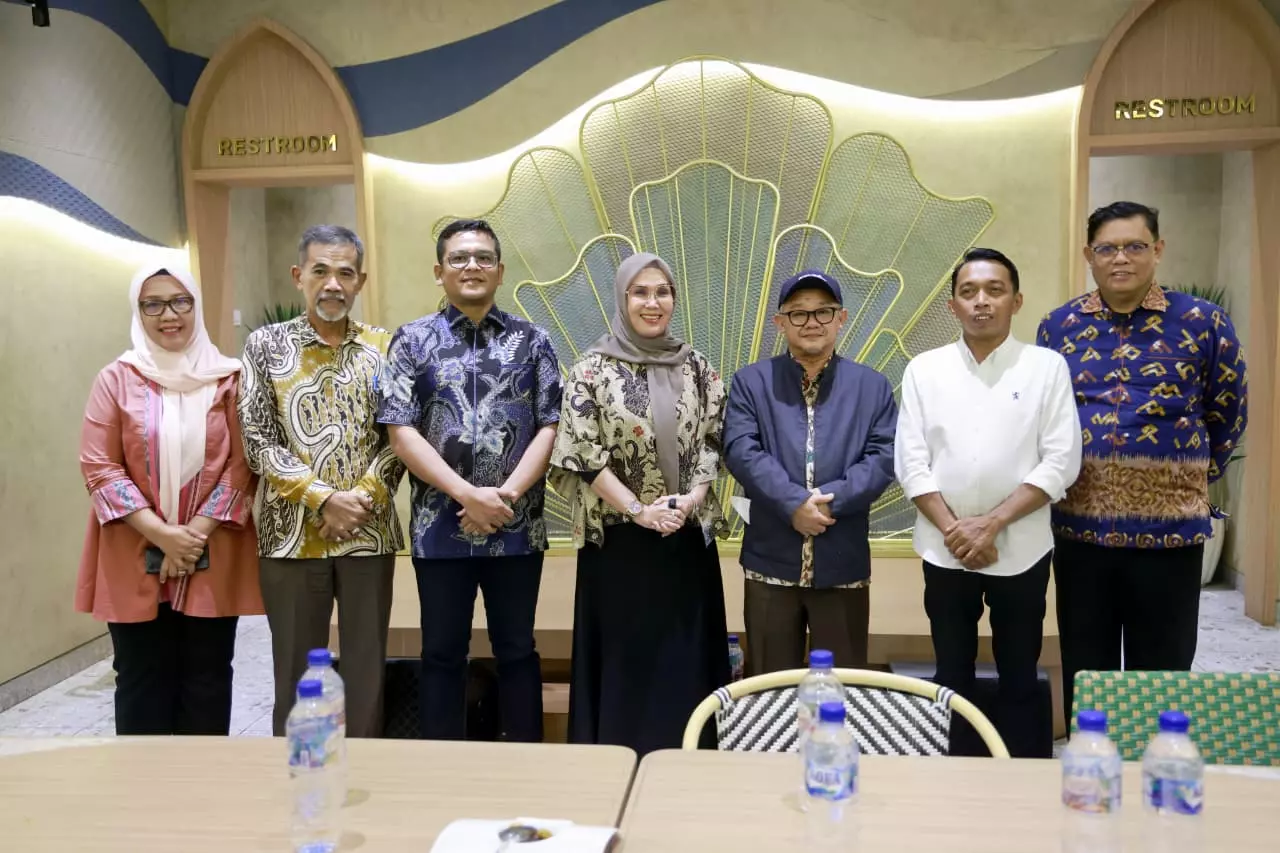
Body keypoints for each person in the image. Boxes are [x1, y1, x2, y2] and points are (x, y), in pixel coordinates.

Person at [1038, 201, 1247, 724]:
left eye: (1134, 246)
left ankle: (1157, 762)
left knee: (1163, 672)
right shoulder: (1058, 327)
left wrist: (1180, 478)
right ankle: (1093, 762)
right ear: (1089, 255)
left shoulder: (1203, 322)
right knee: (1088, 669)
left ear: (1157, 250)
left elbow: (1228, 412)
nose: (1121, 259)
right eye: (1107, 248)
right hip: (1082, 534)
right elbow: (1046, 420)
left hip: (1168, 536)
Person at [378, 219, 561, 741]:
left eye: (483, 257)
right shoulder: (412, 341)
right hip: (440, 527)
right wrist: (466, 495)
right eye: (459, 258)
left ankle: (526, 758)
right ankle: (442, 764)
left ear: (500, 271)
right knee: (440, 652)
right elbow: (401, 432)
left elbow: (550, 425)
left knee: (517, 649)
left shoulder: (534, 341)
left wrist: (506, 496)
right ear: (439, 272)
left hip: (516, 525)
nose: (472, 266)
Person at [895, 248, 1081, 757]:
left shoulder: (1046, 368)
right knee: (950, 672)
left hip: (1021, 548)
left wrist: (991, 524)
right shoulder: (924, 370)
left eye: (995, 290)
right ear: (952, 305)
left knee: (1019, 670)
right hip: (944, 548)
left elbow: (1061, 460)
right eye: (969, 292)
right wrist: (956, 530)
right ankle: (951, 771)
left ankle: (1019, 775)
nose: (982, 301)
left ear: (1016, 301)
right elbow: (910, 462)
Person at [550, 252, 730, 755]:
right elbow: (580, 452)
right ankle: (619, 764)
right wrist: (639, 510)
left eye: (662, 292)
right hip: (620, 548)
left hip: (684, 544)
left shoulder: (698, 367)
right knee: (626, 665)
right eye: (641, 293)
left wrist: (692, 499)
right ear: (622, 298)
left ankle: (689, 765)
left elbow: (715, 440)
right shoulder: (591, 369)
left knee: (685, 663)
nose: (653, 303)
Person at [77, 264, 263, 735]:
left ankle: (202, 779)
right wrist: (162, 535)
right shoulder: (116, 379)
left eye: (181, 301)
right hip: (133, 545)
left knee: (208, 675)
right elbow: (99, 465)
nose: (169, 315)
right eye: (153, 304)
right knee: (140, 676)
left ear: (196, 306)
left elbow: (243, 465)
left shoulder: (230, 379)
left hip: (212, 546)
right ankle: (145, 780)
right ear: (137, 311)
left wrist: (192, 536)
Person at [238, 224, 405, 737]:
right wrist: (322, 498)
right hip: (290, 538)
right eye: (321, 271)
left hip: (368, 534)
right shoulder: (264, 346)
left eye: (345, 273)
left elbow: (400, 437)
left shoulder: (385, 347)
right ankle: (300, 770)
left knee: (366, 670)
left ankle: (365, 768)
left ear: (360, 281)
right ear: (299, 276)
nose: (333, 284)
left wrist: (359, 500)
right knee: (295, 671)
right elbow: (257, 438)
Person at [722, 270, 896, 673]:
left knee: (842, 682)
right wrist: (793, 504)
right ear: (780, 322)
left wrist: (830, 503)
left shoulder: (872, 386)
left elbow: (884, 456)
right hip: (771, 560)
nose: (812, 322)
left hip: (842, 560)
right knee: (769, 684)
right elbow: (741, 450)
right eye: (799, 313)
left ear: (841, 318)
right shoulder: (751, 382)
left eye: (823, 311)